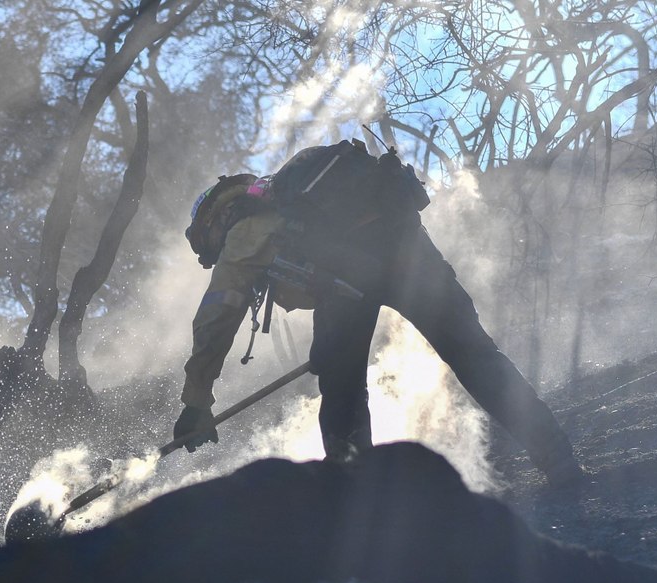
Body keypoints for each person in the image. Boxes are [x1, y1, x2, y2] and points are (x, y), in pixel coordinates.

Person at [174, 140, 587, 486]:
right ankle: (557, 458)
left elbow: (217, 318)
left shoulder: (246, 227)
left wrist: (196, 403)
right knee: (476, 356)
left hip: (346, 287)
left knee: (343, 390)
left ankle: (355, 500)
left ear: (213, 220)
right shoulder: (297, 190)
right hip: (410, 250)